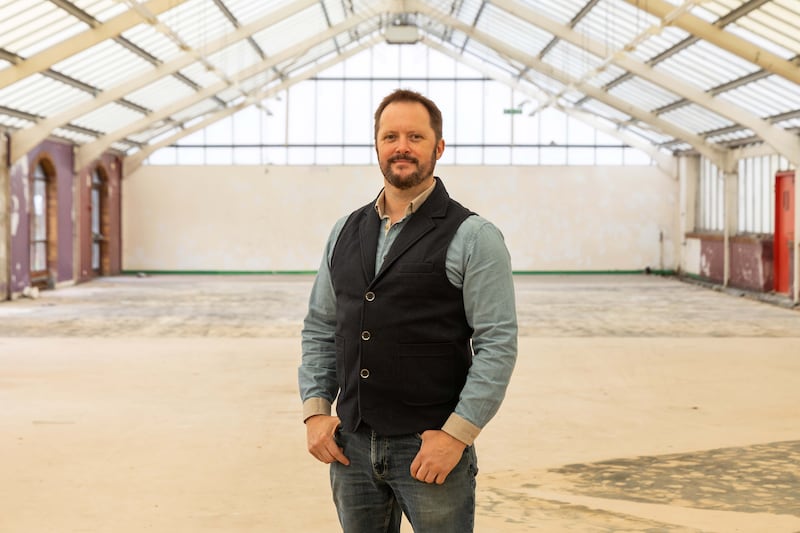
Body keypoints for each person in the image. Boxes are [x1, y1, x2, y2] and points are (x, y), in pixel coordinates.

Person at [298, 88, 518, 533]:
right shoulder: (344, 230)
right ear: (377, 146)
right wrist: (316, 410)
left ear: (438, 147)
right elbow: (322, 326)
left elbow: (497, 344)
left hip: (429, 449)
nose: (401, 146)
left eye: (415, 137)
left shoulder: (474, 236)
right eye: (390, 136)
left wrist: (457, 435)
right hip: (351, 447)